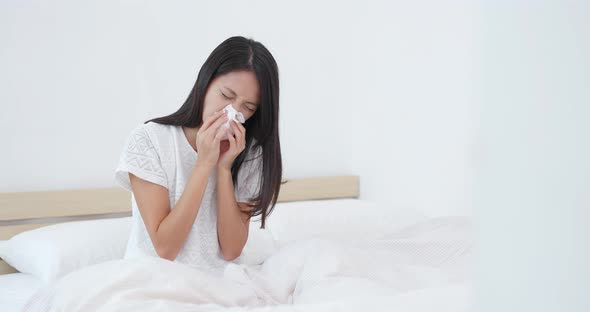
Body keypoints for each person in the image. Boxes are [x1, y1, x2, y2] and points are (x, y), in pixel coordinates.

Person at [114, 36, 283, 276]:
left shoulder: (247, 152)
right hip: (155, 280)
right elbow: (165, 248)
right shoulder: (149, 141)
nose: (232, 112)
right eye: (226, 95)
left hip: (222, 282)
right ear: (205, 82)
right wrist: (204, 164)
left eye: (247, 108)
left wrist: (224, 169)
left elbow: (232, 250)